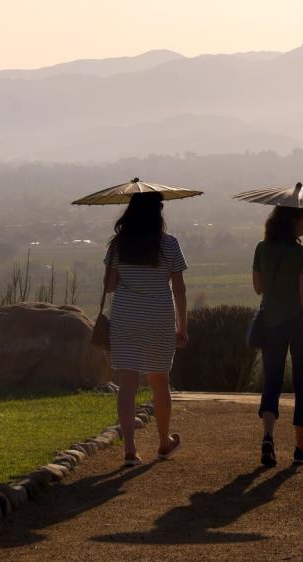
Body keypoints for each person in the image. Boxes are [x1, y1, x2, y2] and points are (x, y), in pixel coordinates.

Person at [103, 191, 188, 467]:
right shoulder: (169, 245)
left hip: (126, 317)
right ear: (158, 212)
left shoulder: (118, 245)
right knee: (159, 381)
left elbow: (110, 286)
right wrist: (182, 326)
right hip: (159, 318)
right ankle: (163, 443)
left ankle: (130, 448)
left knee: (127, 382)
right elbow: (179, 288)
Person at [252, 205, 303, 467]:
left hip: (271, 323)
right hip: (301, 325)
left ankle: (268, 436)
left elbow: (258, 288)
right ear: (293, 220)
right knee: (302, 384)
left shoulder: (261, 248)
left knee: (272, 381)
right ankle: (299, 449)